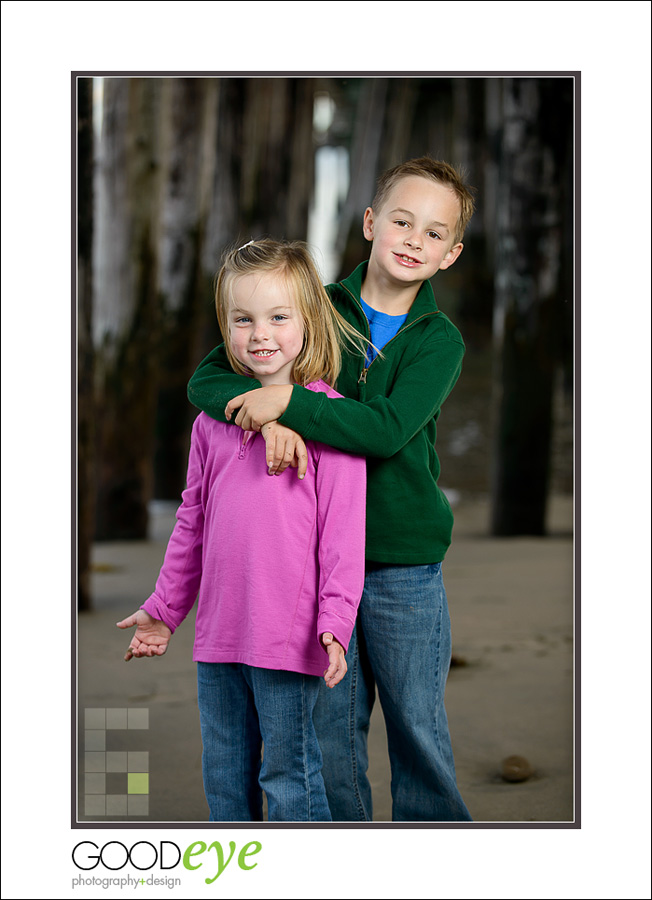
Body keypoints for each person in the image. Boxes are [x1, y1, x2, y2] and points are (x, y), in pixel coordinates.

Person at [187, 158, 474, 822]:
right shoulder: (315, 308)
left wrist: (285, 403)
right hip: (310, 566)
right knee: (333, 739)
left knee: (417, 726)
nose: (412, 240)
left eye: (434, 233)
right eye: (401, 220)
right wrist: (264, 411)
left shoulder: (439, 341)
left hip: (404, 562)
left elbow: (386, 430)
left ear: (451, 254)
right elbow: (208, 381)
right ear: (371, 222)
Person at [117, 239, 367, 823]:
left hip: (289, 634)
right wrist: (165, 606)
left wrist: (335, 622)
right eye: (243, 318)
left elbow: (342, 542)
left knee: (288, 771)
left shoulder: (332, 424)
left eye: (279, 317)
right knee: (224, 770)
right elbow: (192, 522)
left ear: (309, 321)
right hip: (219, 631)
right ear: (224, 326)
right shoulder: (212, 424)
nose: (261, 333)